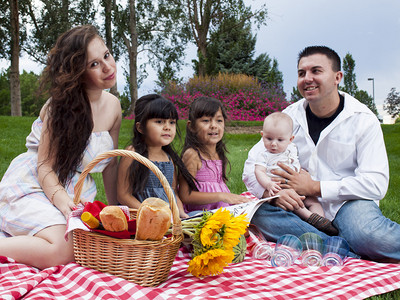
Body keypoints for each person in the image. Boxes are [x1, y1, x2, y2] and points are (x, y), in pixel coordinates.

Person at [243, 46, 400, 262]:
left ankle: (343, 240)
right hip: (299, 205)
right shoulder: (287, 118)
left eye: (316, 71)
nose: (307, 78)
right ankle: (343, 247)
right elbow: (253, 164)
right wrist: (272, 194)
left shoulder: (363, 119)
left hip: (348, 203)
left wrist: (315, 187)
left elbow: (376, 183)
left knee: (370, 235)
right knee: (256, 216)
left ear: (338, 77)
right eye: (301, 73)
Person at [0, 25, 122, 269]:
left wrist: (118, 211)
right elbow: (45, 166)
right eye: (94, 64)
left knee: (89, 245)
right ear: (77, 72)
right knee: (64, 249)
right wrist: (62, 201)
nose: (107, 67)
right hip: (36, 183)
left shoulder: (114, 107)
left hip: (77, 193)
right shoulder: (59, 108)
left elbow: (110, 164)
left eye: (106, 55)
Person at [254, 112, 338, 236]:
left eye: (280, 140)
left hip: (298, 185)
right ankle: (309, 217)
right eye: (269, 138)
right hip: (281, 188)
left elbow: (296, 164)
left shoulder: (292, 148)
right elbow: (258, 171)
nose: (273, 144)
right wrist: (268, 184)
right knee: (297, 204)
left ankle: (321, 221)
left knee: (314, 202)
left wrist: (302, 174)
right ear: (262, 135)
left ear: (290, 139)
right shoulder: (264, 154)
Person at [117, 94, 194, 219]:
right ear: (140, 127)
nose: (167, 127)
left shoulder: (169, 158)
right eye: (159, 122)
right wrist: (150, 213)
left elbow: (173, 192)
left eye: (172, 122)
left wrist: (180, 213)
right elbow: (123, 195)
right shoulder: (133, 154)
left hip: (167, 217)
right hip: (142, 217)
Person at [178, 96, 250, 216]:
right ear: (191, 126)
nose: (214, 125)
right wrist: (221, 196)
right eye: (206, 121)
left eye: (219, 120)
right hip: (200, 214)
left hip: (220, 211)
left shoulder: (218, 153)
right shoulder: (192, 154)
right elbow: (185, 195)